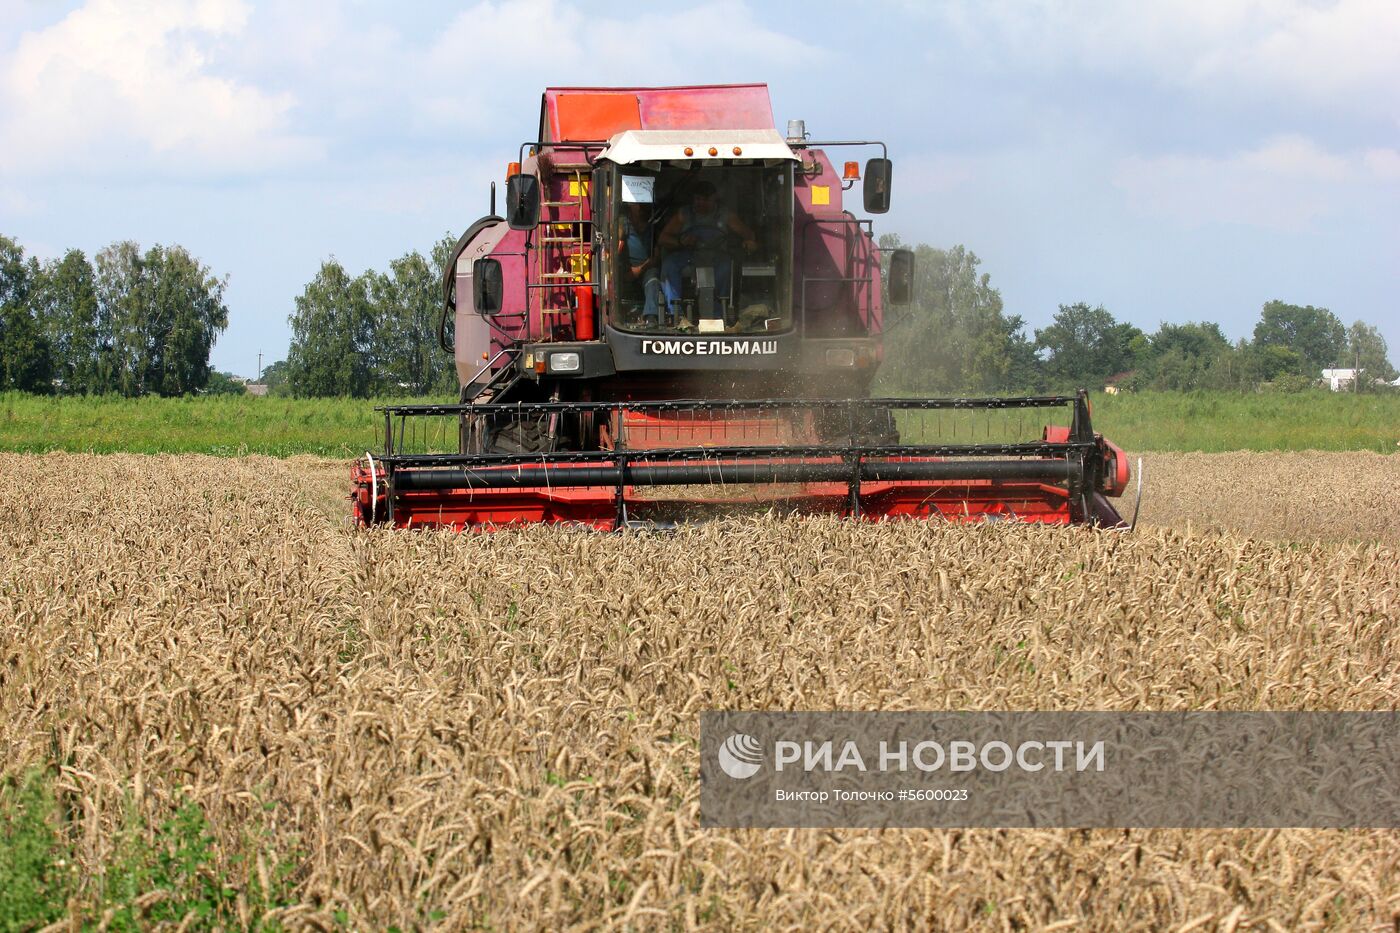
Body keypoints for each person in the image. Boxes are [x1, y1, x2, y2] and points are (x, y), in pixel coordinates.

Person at [658, 181, 758, 317]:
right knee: (669, 264)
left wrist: (749, 241)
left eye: (705, 200)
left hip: (717, 255)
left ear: (714, 198)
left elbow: (748, 234)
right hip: (689, 254)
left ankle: (719, 313)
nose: (700, 203)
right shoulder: (684, 214)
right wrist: (681, 241)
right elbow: (663, 238)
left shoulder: (725, 214)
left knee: (726, 267)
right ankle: (675, 313)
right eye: (697, 199)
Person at [618, 202, 663, 323]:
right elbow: (614, 250)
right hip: (625, 269)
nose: (640, 207)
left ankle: (651, 317)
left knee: (653, 279)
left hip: (648, 268)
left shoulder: (654, 226)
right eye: (636, 204)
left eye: (643, 204)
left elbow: (657, 256)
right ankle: (617, 317)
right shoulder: (623, 223)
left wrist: (642, 267)